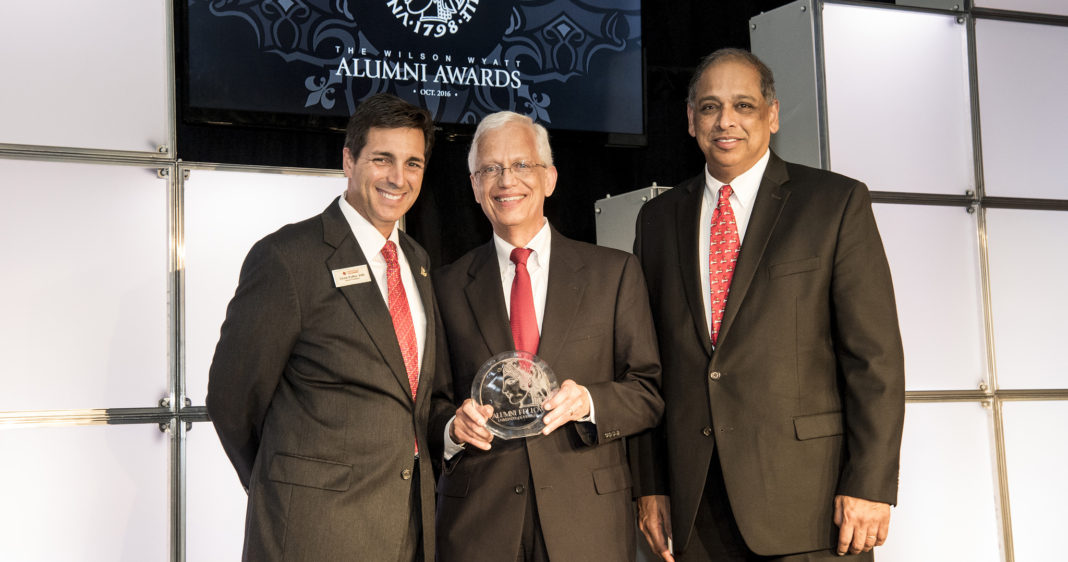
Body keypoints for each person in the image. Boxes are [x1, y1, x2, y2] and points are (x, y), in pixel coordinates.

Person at [631, 48, 905, 561]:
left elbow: (875, 359)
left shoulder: (834, 203)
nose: (725, 121)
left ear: (772, 115)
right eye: (709, 107)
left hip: (811, 505)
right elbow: (646, 367)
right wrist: (650, 484)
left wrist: (870, 483)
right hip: (695, 509)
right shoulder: (657, 220)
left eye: (744, 105)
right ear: (690, 120)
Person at [206, 93, 441, 561]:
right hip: (314, 530)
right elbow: (232, 399)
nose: (399, 177)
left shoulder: (417, 261)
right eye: (382, 159)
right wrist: (285, 480)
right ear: (349, 161)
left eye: (413, 163)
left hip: (409, 526)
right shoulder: (288, 258)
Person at [428, 111, 664, 561]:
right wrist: (452, 429)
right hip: (479, 524)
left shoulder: (612, 274)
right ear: (475, 187)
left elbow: (647, 391)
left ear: (550, 178)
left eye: (521, 165)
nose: (505, 180)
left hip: (586, 521)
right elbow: (430, 404)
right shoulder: (444, 286)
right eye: (489, 169)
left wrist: (589, 402)